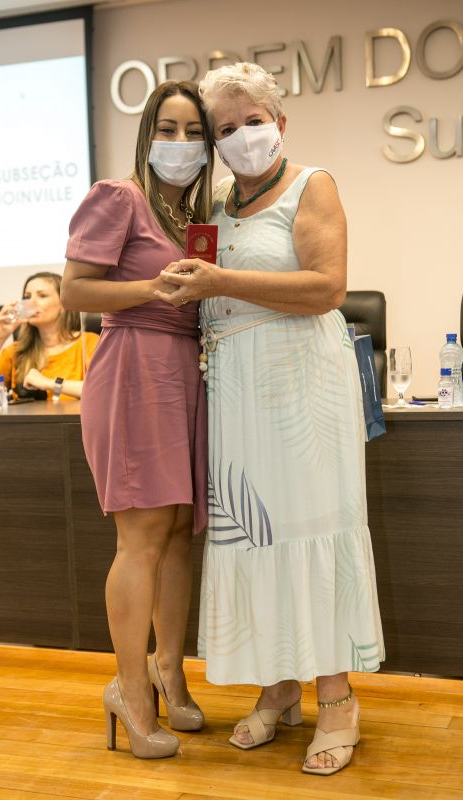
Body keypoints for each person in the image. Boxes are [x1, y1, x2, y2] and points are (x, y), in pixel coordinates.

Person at [155, 62, 384, 775]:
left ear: (279, 123)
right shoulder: (215, 206)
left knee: (312, 528)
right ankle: (279, 685)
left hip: (302, 386)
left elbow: (327, 287)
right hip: (235, 391)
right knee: (257, 537)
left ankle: (336, 698)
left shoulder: (313, 185)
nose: (240, 136)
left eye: (252, 121)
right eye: (225, 128)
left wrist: (221, 280)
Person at [60, 80, 214, 759]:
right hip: (133, 366)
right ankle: (129, 690)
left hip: (184, 370)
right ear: (147, 134)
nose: (181, 143)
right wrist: (154, 287)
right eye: (168, 129)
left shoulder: (195, 216)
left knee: (178, 532)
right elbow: (74, 289)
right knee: (142, 536)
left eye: (194, 132)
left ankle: (168, 673)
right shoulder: (118, 196)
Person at [0, 271, 98, 403]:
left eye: (42, 296)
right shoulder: (16, 351)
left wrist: (48, 383)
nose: (31, 303)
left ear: (64, 303)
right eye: (27, 297)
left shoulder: (89, 343)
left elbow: (101, 390)